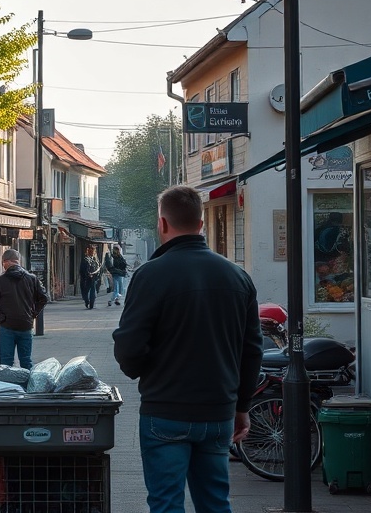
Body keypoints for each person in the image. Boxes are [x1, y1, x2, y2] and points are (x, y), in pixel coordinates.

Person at [112, 185, 262, 513]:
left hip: (166, 410)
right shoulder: (238, 277)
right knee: (215, 502)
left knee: (166, 504)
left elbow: (129, 346)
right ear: (202, 224)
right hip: (218, 411)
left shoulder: (150, 275)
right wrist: (242, 405)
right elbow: (252, 349)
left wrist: (141, 370)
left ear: (163, 224)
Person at [0, 249, 48, 369]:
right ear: (18, 262)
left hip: (7, 326)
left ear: (6, 262)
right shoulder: (32, 279)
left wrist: (0, 317)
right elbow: (43, 298)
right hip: (26, 324)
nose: (3, 266)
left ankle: (7, 386)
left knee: (5, 362)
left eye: (3, 263)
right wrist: (33, 314)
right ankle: (29, 385)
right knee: (26, 360)